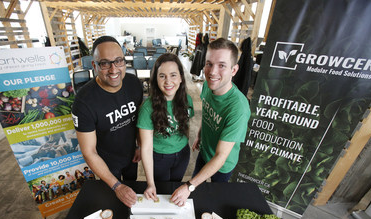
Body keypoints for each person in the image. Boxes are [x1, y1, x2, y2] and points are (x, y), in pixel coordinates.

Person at [171, 38, 251, 206]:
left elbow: (221, 156)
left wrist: (188, 186)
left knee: (215, 199)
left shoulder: (238, 108)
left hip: (222, 165)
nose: (213, 72)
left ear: (234, 70)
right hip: (205, 152)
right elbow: (207, 113)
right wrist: (200, 135)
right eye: (209, 64)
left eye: (222, 65)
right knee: (195, 191)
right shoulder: (209, 85)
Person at [71, 36, 144, 208]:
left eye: (118, 61)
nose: (113, 69)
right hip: (105, 164)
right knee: (112, 201)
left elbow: (141, 120)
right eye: (105, 63)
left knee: (132, 191)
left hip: (131, 155)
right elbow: (89, 152)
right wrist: (116, 186)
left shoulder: (134, 84)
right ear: (94, 66)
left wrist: (139, 145)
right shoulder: (84, 102)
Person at [137, 53, 194, 201]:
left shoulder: (187, 100)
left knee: (176, 191)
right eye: (162, 76)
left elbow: (186, 126)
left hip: (182, 155)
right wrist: (150, 183)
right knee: (161, 194)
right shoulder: (147, 108)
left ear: (181, 77)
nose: (168, 81)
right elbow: (146, 147)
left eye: (173, 75)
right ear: (156, 79)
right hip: (159, 158)